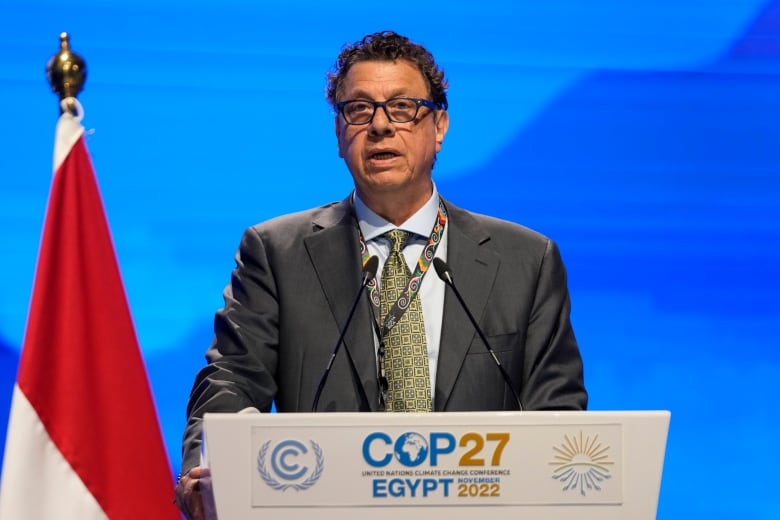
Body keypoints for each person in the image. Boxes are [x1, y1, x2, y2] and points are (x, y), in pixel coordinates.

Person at [174, 30, 587, 519]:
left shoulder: (525, 259)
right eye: (359, 109)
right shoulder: (277, 253)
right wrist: (214, 463)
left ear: (439, 127)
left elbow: (555, 411)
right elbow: (230, 380)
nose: (379, 127)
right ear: (339, 135)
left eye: (402, 107)